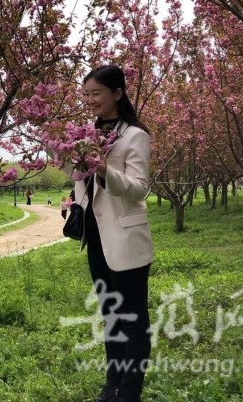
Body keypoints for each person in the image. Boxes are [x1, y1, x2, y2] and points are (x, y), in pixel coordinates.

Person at [67, 65, 153, 402]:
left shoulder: (135, 136)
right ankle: (112, 386)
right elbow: (78, 178)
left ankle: (129, 392)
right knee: (111, 318)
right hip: (97, 241)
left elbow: (139, 189)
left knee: (132, 321)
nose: (90, 100)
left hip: (126, 242)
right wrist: (65, 155)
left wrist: (105, 170)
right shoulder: (87, 134)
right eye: (86, 94)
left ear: (117, 93)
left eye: (96, 93)